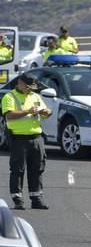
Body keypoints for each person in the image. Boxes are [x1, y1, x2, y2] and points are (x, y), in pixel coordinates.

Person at [1, 73, 52, 210]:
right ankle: (18, 199)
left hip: (36, 137)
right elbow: (9, 115)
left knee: (37, 168)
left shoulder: (35, 96)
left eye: (32, 87)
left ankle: (36, 198)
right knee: (18, 169)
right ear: (20, 83)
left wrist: (46, 111)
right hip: (19, 138)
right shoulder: (10, 97)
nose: (30, 89)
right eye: (28, 86)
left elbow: (46, 110)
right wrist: (28, 111)